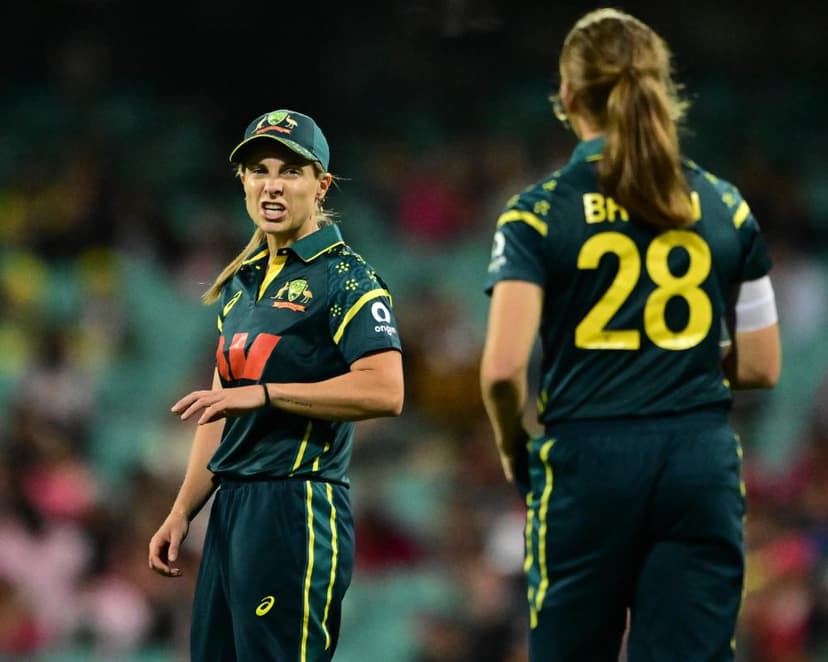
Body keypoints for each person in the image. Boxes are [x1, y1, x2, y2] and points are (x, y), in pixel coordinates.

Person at [479, 9, 781, 662]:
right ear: (661, 90)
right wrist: (671, 359)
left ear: (567, 95)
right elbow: (761, 364)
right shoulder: (727, 205)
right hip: (699, 461)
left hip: (586, 463)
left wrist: (513, 450)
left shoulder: (536, 213)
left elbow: (502, 369)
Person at [148, 109, 404, 661]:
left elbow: (386, 390)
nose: (272, 184)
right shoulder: (242, 285)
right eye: (259, 170)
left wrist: (267, 394)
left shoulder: (345, 277)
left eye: (290, 170)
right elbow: (219, 410)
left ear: (321, 184)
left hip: (297, 506)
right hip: (232, 510)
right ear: (243, 182)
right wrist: (182, 510)